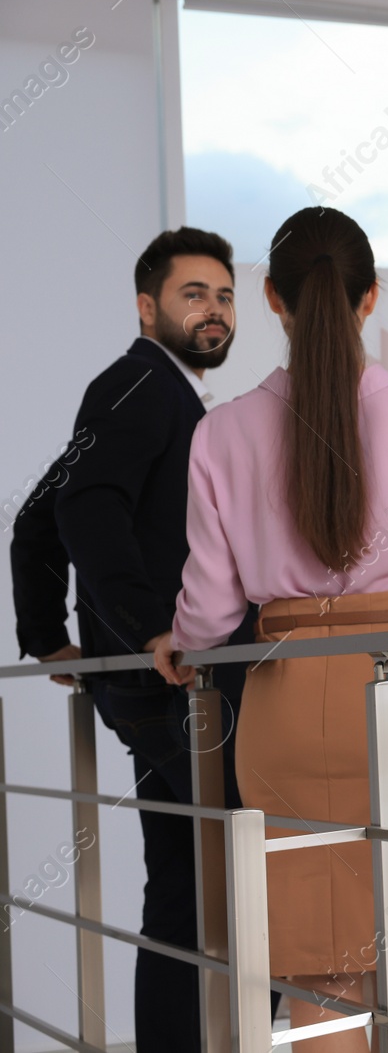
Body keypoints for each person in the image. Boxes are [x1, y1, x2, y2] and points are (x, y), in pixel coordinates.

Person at [152, 207, 388, 1052]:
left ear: (273, 298)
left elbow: (205, 613)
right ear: (370, 296)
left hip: (286, 696)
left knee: (319, 961)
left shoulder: (223, 430)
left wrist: (177, 640)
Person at [10, 226, 256, 1052]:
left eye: (224, 295)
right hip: (169, 687)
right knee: (194, 892)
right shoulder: (138, 387)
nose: (214, 310)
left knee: (191, 887)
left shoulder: (153, 388)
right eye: (195, 294)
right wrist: (149, 628)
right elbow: (84, 511)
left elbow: (37, 518)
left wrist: (50, 637)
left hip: (160, 684)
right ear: (148, 305)